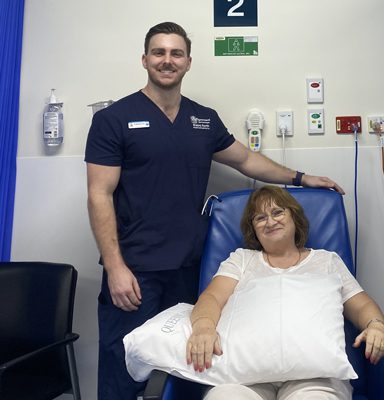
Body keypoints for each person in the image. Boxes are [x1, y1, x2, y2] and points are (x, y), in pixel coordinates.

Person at [85, 22, 343, 400]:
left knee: (187, 370)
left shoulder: (202, 119)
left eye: (176, 53)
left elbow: (248, 161)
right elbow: (98, 195)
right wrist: (116, 267)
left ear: (188, 62)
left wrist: (302, 178)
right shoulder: (113, 119)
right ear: (144, 59)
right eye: (159, 52)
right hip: (135, 270)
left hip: (190, 270)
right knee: (127, 367)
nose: (167, 60)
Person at [187, 185, 384, 400]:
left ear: (295, 217)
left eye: (277, 212)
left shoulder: (327, 261)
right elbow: (212, 297)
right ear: (253, 228)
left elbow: (361, 305)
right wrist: (203, 328)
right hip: (244, 378)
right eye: (260, 218)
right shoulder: (241, 259)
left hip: (315, 379)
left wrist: (375, 325)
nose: (270, 221)